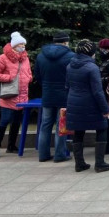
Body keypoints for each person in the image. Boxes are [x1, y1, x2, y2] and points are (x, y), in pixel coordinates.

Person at [65, 40, 109, 172]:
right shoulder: (92, 68)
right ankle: (100, 163)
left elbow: (67, 87)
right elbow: (97, 91)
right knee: (102, 128)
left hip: (74, 103)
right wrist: (105, 109)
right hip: (91, 104)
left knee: (78, 131)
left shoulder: (69, 66)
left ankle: (79, 164)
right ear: (91, 52)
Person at [0, 31, 33, 159]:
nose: (22, 47)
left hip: (22, 95)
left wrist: (29, 77)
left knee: (16, 122)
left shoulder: (25, 58)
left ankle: (11, 146)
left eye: (24, 45)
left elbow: (28, 72)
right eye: (20, 45)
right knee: (4, 121)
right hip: (9, 95)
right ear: (14, 46)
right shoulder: (3, 58)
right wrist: (9, 77)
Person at [33, 30, 74, 163]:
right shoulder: (70, 56)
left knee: (45, 125)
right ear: (65, 42)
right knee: (61, 126)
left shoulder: (40, 56)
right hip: (64, 95)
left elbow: (37, 76)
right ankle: (59, 154)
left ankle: (43, 155)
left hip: (47, 94)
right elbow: (72, 77)